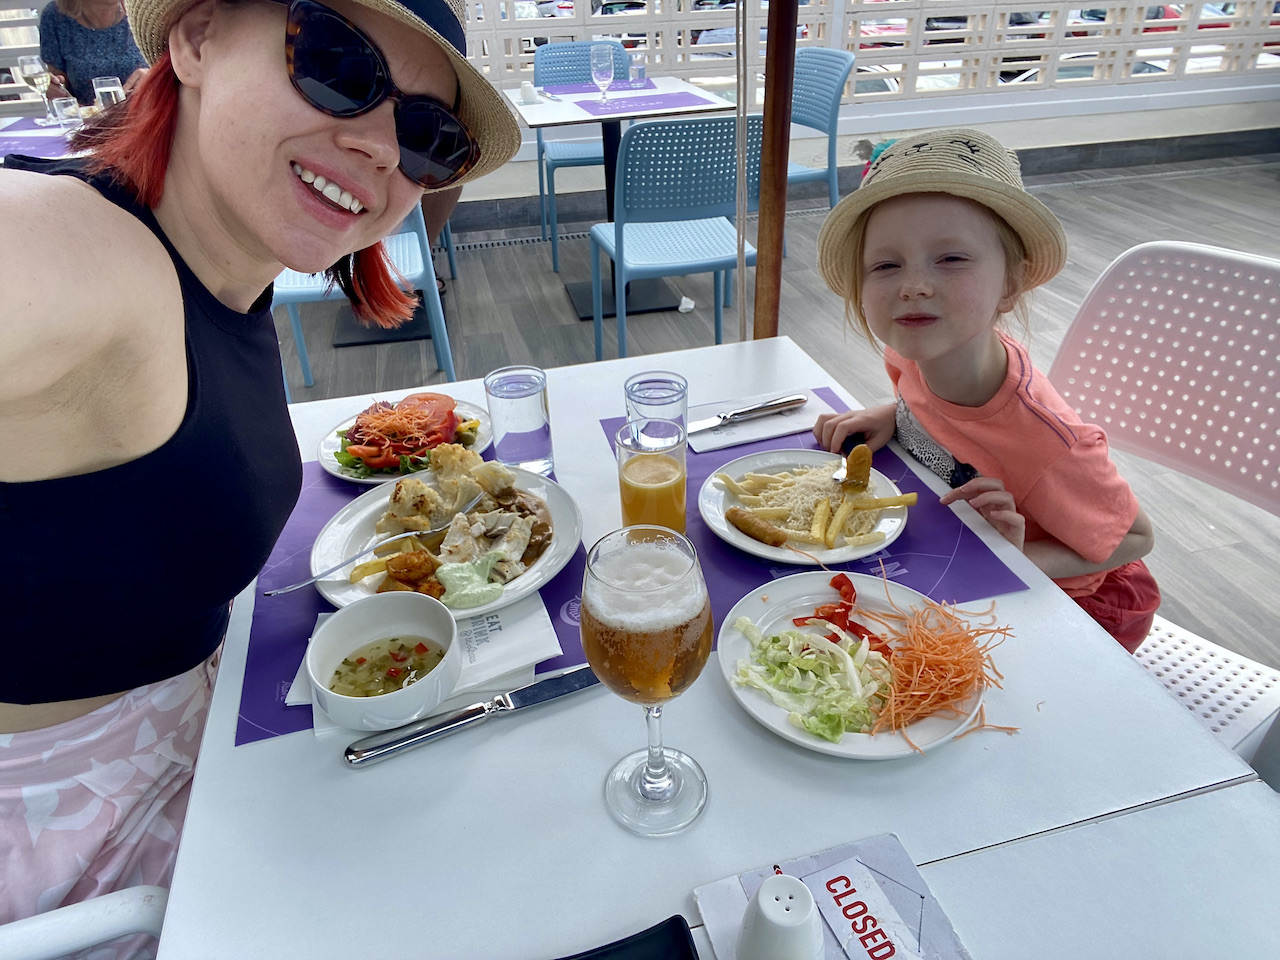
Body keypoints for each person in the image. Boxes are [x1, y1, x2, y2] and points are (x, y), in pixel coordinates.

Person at [0, 0, 518, 947]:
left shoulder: (220, 267)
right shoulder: (83, 251)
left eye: (424, 134)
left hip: (215, 747)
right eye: (336, 62)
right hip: (85, 868)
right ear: (195, 40)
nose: (375, 144)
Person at [812, 127, 1160, 652]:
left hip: (1075, 607)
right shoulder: (913, 349)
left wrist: (1010, 557)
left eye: (950, 259)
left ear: (1011, 283)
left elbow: (1137, 538)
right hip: (959, 554)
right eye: (886, 265)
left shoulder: (1050, 442)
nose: (913, 285)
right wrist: (894, 414)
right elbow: (935, 412)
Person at [39, 0, 149, 105]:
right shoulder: (55, 16)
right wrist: (54, 88)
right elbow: (61, 86)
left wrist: (154, 76)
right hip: (88, 120)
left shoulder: (146, 9)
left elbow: (165, 65)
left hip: (148, 116)